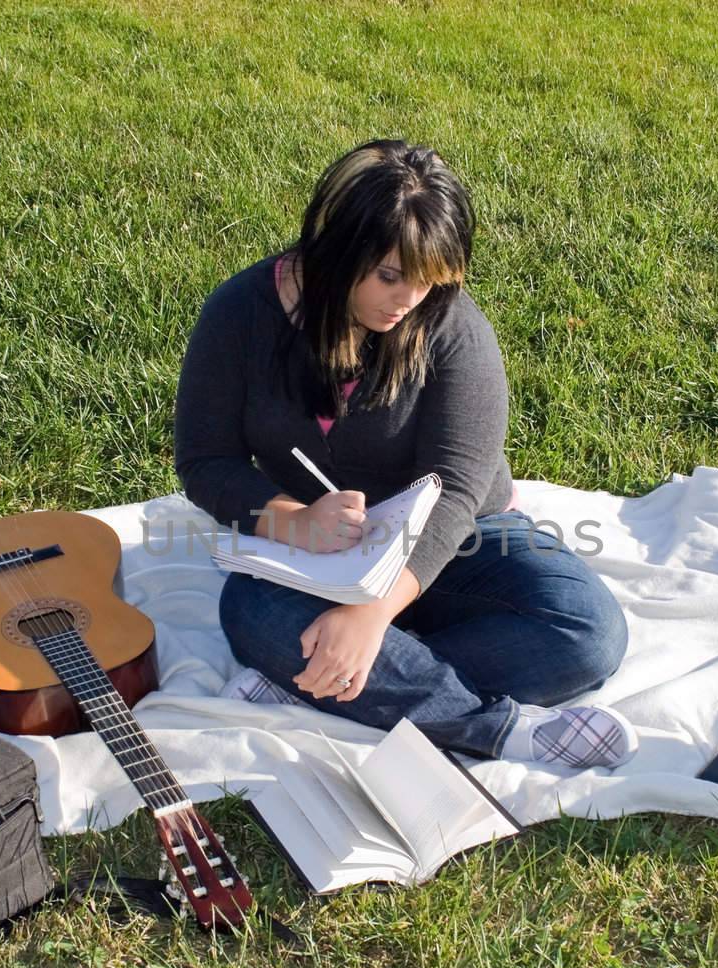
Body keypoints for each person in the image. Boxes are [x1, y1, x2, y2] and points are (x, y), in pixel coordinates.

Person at [173, 138, 634, 768]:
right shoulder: (239, 314)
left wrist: (372, 616)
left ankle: (322, 684)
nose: (409, 300)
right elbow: (205, 462)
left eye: (428, 280)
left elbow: (460, 487)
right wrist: (294, 519)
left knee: (589, 635)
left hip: (457, 542)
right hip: (323, 551)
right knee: (252, 612)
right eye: (390, 276)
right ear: (336, 251)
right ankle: (498, 731)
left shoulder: (452, 326)